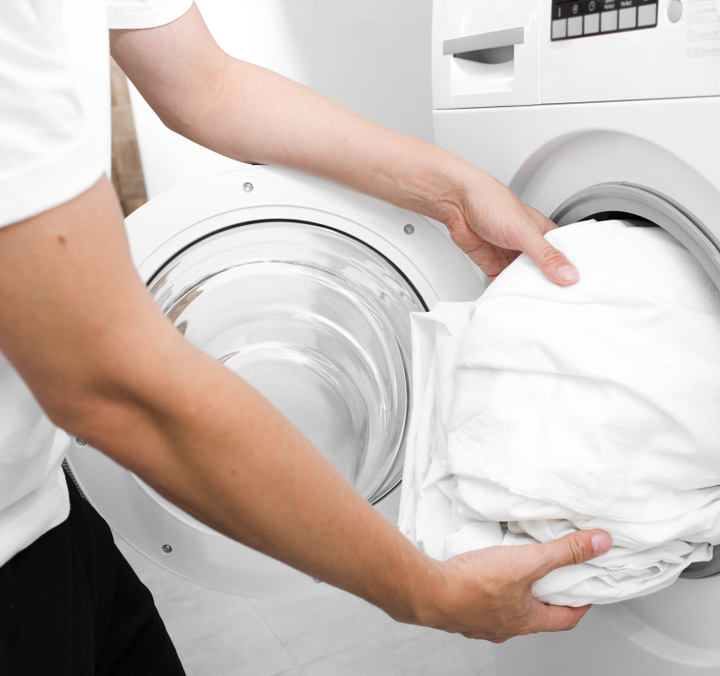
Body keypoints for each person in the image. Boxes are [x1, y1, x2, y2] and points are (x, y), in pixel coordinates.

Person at [0, 1, 612, 673]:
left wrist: (454, 191)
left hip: (40, 509)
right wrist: (426, 590)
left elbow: (203, 82)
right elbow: (114, 384)